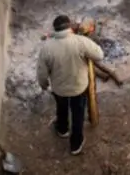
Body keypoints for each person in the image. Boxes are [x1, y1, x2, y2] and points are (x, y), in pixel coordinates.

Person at [36, 15, 104, 156]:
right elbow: (100, 55)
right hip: (79, 88)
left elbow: (42, 73)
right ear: (70, 28)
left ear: (55, 29)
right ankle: (76, 145)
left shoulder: (47, 48)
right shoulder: (81, 42)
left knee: (62, 108)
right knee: (78, 115)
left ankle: (62, 130)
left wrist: (44, 85)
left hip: (59, 89)